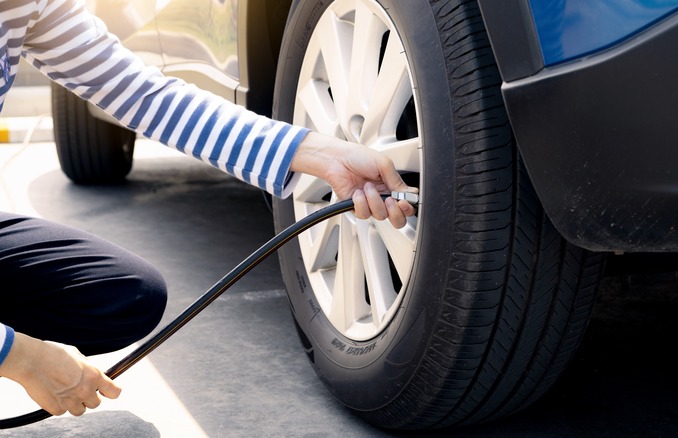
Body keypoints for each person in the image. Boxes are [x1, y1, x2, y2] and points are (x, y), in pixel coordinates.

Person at [0, 0, 417, 418]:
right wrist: (22, 358)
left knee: (129, 296)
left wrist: (322, 155)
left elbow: (145, 96)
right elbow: (24, 358)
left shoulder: (30, 7)